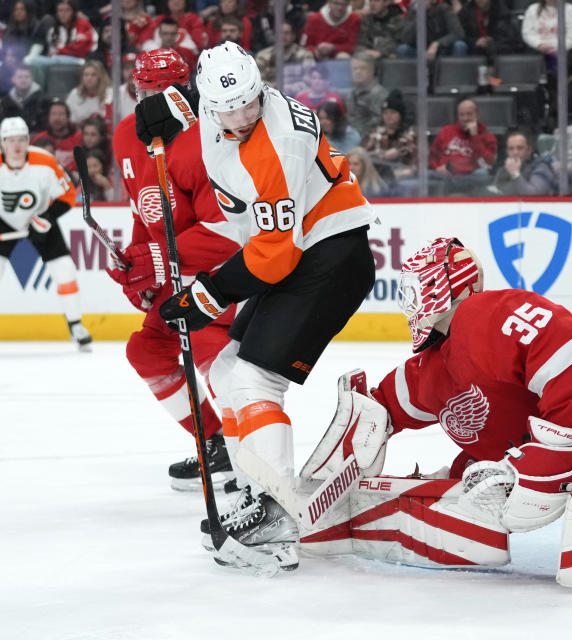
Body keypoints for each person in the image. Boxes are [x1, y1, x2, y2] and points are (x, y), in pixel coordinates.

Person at [133, 41, 376, 572]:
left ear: (259, 88)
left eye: (248, 104)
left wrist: (205, 297)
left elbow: (273, 254)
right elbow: (191, 112)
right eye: (229, 109)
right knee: (224, 367)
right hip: (306, 251)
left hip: (326, 255)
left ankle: (277, 516)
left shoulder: (277, 146)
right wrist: (163, 107)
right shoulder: (216, 107)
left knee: (253, 381)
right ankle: (252, 489)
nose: (241, 118)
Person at [368, 237, 572, 531]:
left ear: (440, 287)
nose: (410, 301)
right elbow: (383, 408)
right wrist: (362, 424)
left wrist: (554, 447)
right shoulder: (435, 363)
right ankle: (459, 487)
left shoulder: (490, 315)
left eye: (415, 288)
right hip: (534, 449)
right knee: (473, 475)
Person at [109, 48, 242, 491]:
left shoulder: (209, 136)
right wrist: (136, 265)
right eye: (145, 91)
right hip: (175, 273)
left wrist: (162, 261)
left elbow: (227, 231)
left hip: (220, 274)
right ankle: (215, 444)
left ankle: (253, 458)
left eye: (164, 90)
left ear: (186, 88)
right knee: (146, 352)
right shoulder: (127, 134)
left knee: (210, 350)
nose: (152, 99)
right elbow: (142, 211)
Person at [0, 116, 92, 349]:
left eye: (21, 140)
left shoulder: (45, 162)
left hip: (41, 217)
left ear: (28, 140)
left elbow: (67, 196)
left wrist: (47, 217)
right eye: (11, 140)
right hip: (3, 220)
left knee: (64, 269)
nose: (17, 146)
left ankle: (76, 325)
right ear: (1, 142)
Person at [428, 97, 498, 196]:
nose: (465, 118)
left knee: (482, 174)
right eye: (462, 115)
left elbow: (487, 163)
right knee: (426, 175)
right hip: (446, 176)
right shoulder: (446, 131)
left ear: (477, 115)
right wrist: (437, 167)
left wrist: (475, 136)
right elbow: (432, 156)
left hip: (471, 176)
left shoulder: (488, 136)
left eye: (469, 114)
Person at [362, 88, 417, 184]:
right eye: (385, 113)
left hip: (405, 177)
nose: (388, 116)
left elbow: (416, 161)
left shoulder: (411, 134)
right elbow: (362, 156)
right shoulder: (373, 134)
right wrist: (383, 155)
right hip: (377, 178)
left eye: (393, 112)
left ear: (401, 115)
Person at [521, 0, 572, 76]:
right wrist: (539, 44)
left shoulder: (571, 9)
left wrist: (559, 47)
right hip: (539, 49)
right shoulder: (532, 9)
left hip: (564, 50)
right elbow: (527, 33)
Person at [491, 130, 556, 196]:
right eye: (511, 149)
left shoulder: (541, 168)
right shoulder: (503, 171)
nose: (515, 152)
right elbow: (495, 193)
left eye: (520, 148)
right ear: (507, 152)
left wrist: (515, 174)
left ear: (529, 150)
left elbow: (535, 196)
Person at [456, 0, 522, 65]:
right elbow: (460, 34)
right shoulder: (466, 11)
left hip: (497, 50)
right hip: (474, 51)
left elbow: (508, 38)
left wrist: (491, 42)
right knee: (459, 45)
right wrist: (475, 41)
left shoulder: (502, 11)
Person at [397, 0, 468, 59]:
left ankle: (454, 74)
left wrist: (437, 43)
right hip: (421, 51)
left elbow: (458, 33)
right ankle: (411, 75)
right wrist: (418, 16)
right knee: (403, 49)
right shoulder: (413, 12)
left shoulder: (444, 9)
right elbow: (405, 39)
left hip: (443, 49)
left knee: (459, 45)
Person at [255, 20, 315, 88]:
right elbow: (257, 81)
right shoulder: (263, 56)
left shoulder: (305, 55)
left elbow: (310, 81)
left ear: (293, 36)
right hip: (270, 94)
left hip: (296, 96)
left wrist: (285, 87)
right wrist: (270, 87)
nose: (283, 36)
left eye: (286, 33)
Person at [31, 99, 82, 172]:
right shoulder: (39, 138)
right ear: (48, 117)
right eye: (53, 114)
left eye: (61, 114)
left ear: (68, 117)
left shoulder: (79, 138)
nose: (57, 118)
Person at [346, 52, 387, 138]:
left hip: (370, 139)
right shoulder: (350, 94)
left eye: (363, 68)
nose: (358, 72)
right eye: (355, 69)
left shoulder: (379, 93)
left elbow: (379, 121)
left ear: (372, 71)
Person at [0, 64, 45, 131]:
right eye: (19, 77)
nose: (23, 80)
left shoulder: (41, 99)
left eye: (27, 77)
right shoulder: (7, 101)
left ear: (32, 79)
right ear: (13, 79)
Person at [65, 59, 112, 124]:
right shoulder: (75, 94)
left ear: (100, 77)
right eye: (86, 75)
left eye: (93, 75)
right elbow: (69, 119)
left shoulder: (110, 93)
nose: (89, 78)